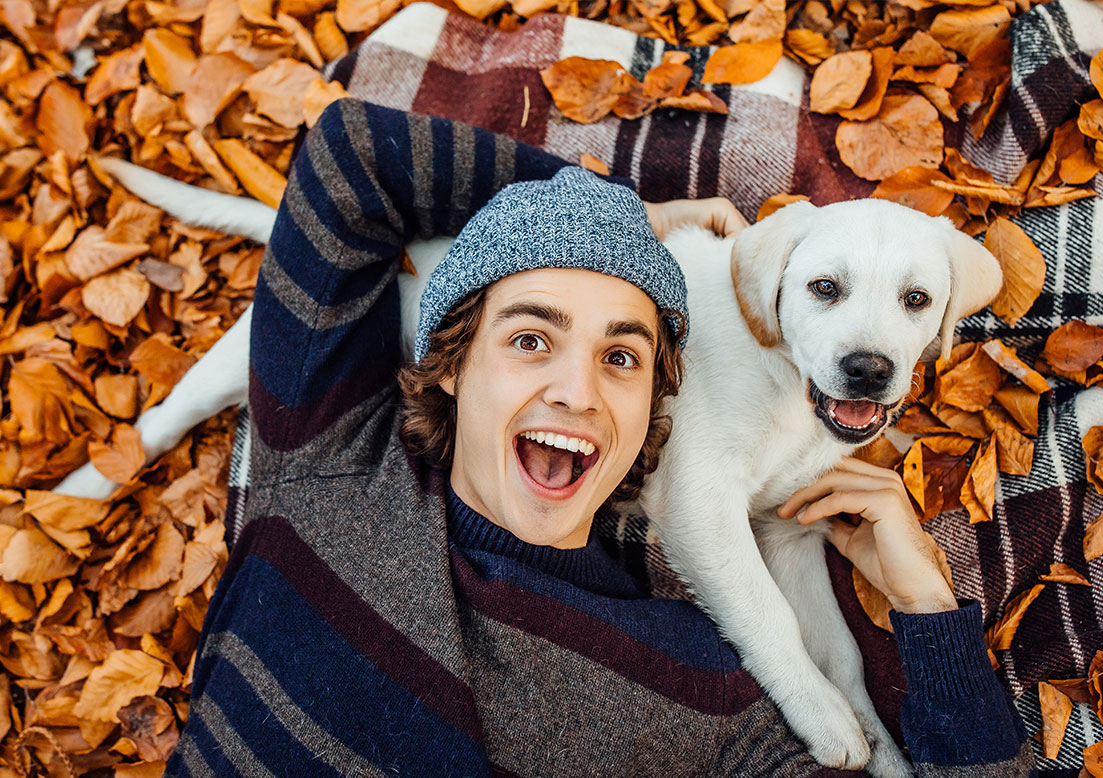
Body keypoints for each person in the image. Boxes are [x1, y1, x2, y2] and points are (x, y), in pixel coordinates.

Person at [165, 98, 1033, 776]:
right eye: (530, 340)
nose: (575, 393)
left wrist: (930, 613)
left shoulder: (703, 687)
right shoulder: (328, 461)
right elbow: (353, 151)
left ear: (662, 399)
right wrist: (610, 211)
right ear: (449, 363)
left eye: (621, 357)